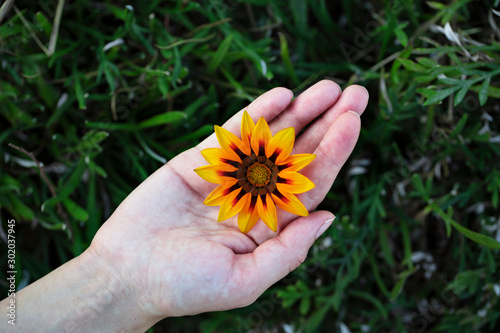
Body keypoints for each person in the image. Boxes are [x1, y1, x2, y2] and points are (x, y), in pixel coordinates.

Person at [1, 80, 368, 332]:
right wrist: (122, 284)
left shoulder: (272, 178)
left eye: (260, 173)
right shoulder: (234, 188)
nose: (259, 175)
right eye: (257, 172)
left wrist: (122, 284)